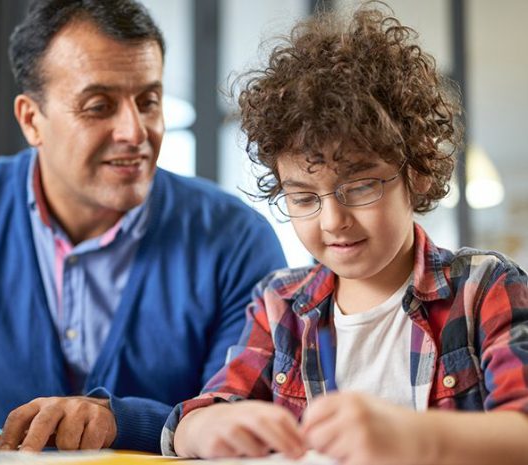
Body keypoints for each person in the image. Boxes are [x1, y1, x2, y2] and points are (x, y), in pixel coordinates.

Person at [0, 0, 286, 454]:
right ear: (31, 119)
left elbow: (249, 416)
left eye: (149, 100)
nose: (135, 132)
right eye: (99, 106)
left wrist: (118, 421)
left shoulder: (236, 238)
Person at [163, 4, 528, 465]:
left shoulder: (485, 288)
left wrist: (417, 437)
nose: (333, 220)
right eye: (303, 197)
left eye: (358, 187)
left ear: (414, 173)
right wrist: (206, 426)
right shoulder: (278, 306)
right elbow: (200, 417)